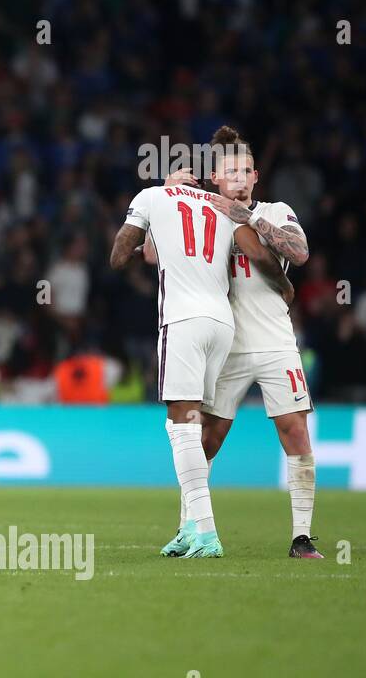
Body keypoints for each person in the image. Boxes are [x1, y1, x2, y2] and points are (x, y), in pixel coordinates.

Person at [110, 133, 291, 558]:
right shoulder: (221, 208)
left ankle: (206, 533)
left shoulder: (154, 196)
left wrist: (150, 212)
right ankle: (189, 527)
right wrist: (285, 286)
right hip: (222, 324)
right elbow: (261, 258)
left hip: (184, 321)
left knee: (184, 427)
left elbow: (121, 257)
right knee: (182, 424)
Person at [163, 126, 321, 558]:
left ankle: (302, 537)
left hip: (275, 341)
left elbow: (301, 253)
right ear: (215, 177)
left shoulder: (275, 211)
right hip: (225, 343)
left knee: (295, 431)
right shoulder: (197, 214)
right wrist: (166, 194)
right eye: (230, 170)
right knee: (207, 440)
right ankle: (188, 528)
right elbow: (150, 254)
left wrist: (248, 218)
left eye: (246, 170)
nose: (239, 176)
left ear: (256, 176)